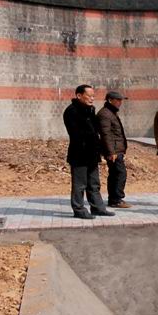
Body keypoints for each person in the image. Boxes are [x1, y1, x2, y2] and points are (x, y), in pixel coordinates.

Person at [62, 84, 115, 219]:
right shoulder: (71, 111)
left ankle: (97, 208)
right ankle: (79, 209)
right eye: (89, 96)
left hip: (92, 154)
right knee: (79, 185)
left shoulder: (90, 110)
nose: (92, 98)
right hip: (79, 154)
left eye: (93, 96)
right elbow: (76, 133)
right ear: (79, 95)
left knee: (94, 184)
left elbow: (95, 132)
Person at [97, 90, 131, 208]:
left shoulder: (111, 112)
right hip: (114, 151)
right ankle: (116, 199)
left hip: (117, 149)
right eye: (118, 100)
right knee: (120, 173)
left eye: (121, 100)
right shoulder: (105, 114)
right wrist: (111, 152)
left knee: (115, 174)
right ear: (110, 100)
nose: (120, 102)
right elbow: (105, 134)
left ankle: (113, 199)